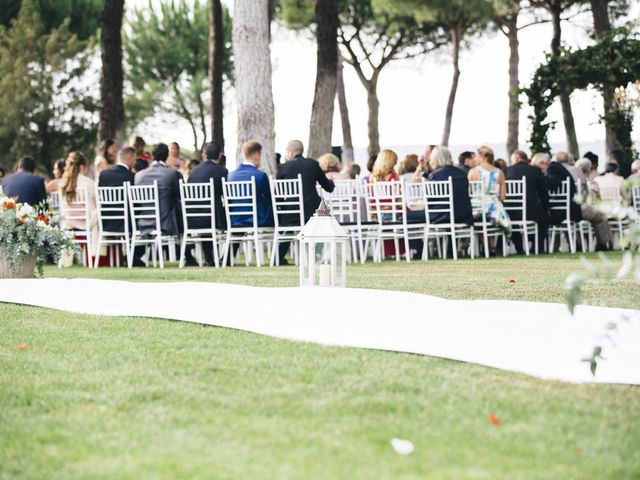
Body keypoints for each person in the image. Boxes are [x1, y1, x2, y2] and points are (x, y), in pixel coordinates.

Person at [540, 152, 612, 251]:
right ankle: (603, 244)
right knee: (600, 217)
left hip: (555, 209)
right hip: (575, 207)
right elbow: (585, 193)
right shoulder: (576, 170)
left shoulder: (550, 172)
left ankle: (577, 243)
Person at [277, 140, 335, 221]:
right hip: (314, 212)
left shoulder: (283, 168)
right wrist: (331, 181)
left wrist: (285, 209)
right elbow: (329, 188)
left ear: (290, 152)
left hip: (290, 213)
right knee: (324, 209)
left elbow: (278, 196)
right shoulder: (313, 164)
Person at [135, 143, 183, 238]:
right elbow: (182, 196)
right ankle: (182, 249)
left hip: (143, 223)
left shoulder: (138, 176)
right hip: (165, 224)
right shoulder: (172, 174)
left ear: (152, 156)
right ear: (167, 155)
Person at [506, 150, 549, 254]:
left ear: (516, 158)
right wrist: (545, 208)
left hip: (511, 211)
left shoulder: (506, 171)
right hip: (531, 210)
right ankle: (537, 247)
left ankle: (519, 248)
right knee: (544, 221)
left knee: (513, 223)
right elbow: (543, 192)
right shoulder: (535, 170)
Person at [59, 151, 100, 262]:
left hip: (69, 223)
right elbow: (96, 205)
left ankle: (66, 261)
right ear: (82, 166)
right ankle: (95, 255)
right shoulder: (88, 182)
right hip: (86, 223)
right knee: (98, 214)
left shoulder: (64, 183)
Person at [468, 146, 511, 242]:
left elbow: (469, 193)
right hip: (494, 209)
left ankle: (484, 245)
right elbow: (503, 197)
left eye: (477, 156)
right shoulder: (499, 173)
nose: (475, 159)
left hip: (476, 209)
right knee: (496, 215)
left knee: (478, 220)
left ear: (484, 157)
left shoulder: (472, 172)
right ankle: (493, 245)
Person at [228, 140, 273, 228]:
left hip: (236, 220)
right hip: (258, 219)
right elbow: (269, 198)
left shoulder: (230, 176)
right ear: (257, 155)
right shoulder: (260, 175)